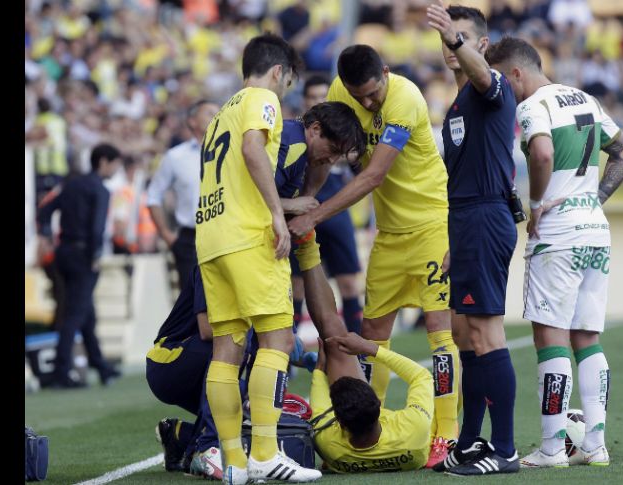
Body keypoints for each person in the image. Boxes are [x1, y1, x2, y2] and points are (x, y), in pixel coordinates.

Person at [288, 44, 459, 467]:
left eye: (371, 93)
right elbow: (329, 151)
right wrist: (307, 198)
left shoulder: (405, 97)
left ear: (385, 72)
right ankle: (368, 416)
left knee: (439, 331)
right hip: (389, 232)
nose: (366, 102)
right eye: (356, 94)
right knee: (370, 332)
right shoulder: (338, 91)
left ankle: (448, 434)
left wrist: (314, 216)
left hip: (432, 225)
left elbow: (374, 174)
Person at [485, 36, 623, 468]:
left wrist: (536, 205)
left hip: (557, 234)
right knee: (587, 338)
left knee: (550, 338)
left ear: (516, 72)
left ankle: (552, 448)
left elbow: (543, 151)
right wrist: (593, 199)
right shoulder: (587, 100)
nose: (502, 89)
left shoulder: (533, 106)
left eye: (502, 79)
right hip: (594, 229)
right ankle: (595, 443)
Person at [196, 33, 321, 484]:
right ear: (278, 72)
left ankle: (233, 463)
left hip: (211, 238)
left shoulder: (218, 115)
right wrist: (275, 212)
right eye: (287, 80)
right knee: (277, 341)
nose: (285, 89)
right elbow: (253, 149)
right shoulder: (262, 99)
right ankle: (266, 454)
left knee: (227, 351)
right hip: (248, 238)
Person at [426, 3, 520, 475]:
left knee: (485, 333)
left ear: (480, 45)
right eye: (444, 37)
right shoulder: (458, 104)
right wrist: (453, 241)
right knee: (463, 333)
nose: (449, 44)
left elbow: (485, 78)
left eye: (459, 36)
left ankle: (504, 450)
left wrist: (455, 38)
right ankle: (469, 441)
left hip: (485, 217)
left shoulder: (492, 89)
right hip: (465, 223)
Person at [291, 238, 434, 473]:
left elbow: (420, 376)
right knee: (456, 357)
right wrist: (366, 349)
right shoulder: (413, 429)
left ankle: (306, 243)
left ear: (340, 422)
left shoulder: (327, 444)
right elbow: (422, 377)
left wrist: (321, 370)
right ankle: (449, 435)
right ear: (378, 404)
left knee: (333, 338)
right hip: (406, 438)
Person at [37, 143, 123, 388]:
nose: (116, 169)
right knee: (74, 315)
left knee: (85, 311)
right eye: (115, 163)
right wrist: (96, 254)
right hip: (84, 255)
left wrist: (46, 234)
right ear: (104, 161)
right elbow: (97, 227)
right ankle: (61, 371)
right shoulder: (101, 190)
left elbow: (44, 211)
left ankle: (100, 365)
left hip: (63, 253)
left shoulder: (71, 184)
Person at [289, 75, 364, 335]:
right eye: (313, 97)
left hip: (335, 207)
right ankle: (289, 349)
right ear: (305, 101)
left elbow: (359, 164)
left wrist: (342, 154)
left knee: (348, 282)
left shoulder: (339, 133)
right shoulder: (300, 135)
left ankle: (357, 348)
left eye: (323, 96)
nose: (318, 100)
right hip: (301, 206)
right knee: (297, 283)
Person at [146, 266, 222, 479]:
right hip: (169, 359)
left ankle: (180, 436)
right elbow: (207, 330)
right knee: (231, 346)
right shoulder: (213, 261)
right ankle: (205, 447)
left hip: (195, 359)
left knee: (245, 415)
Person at [147, 100, 221, 289]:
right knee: (190, 304)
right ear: (192, 121)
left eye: (218, 112)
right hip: (190, 240)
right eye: (209, 112)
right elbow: (153, 196)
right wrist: (166, 235)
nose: (216, 116)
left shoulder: (233, 152)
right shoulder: (175, 156)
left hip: (225, 235)